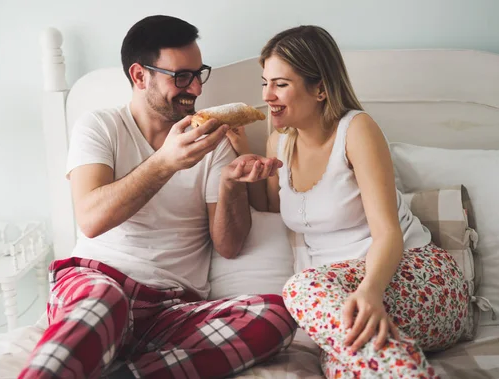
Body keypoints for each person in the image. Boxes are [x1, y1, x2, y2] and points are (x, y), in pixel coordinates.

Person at [19, 15, 295, 379]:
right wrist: (165, 162)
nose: (195, 89)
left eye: (199, 73)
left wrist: (230, 185)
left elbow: (228, 247)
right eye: (181, 76)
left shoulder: (213, 144)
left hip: (169, 310)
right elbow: (90, 218)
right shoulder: (100, 126)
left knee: (276, 315)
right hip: (97, 284)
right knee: (105, 302)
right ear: (139, 76)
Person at [226, 25, 469, 378]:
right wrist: (244, 157)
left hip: (415, 278)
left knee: (299, 287)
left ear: (321, 87)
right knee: (343, 366)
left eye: (280, 84)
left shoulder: (357, 130)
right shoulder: (278, 142)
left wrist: (370, 291)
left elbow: (387, 234)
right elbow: (272, 206)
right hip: (344, 300)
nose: (267, 95)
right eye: (265, 82)